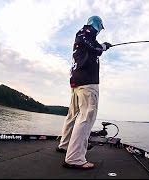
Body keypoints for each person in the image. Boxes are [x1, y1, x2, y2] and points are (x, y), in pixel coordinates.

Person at [56, 15, 112, 169]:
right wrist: (104, 47)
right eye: (100, 28)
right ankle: (74, 158)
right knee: (86, 116)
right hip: (87, 81)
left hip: (77, 81)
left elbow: (92, 47)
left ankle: (65, 144)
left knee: (73, 114)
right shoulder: (85, 33)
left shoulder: (85, 35)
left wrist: (100, 46)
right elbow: (94, 48)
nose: (100, 31)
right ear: (97, 25)